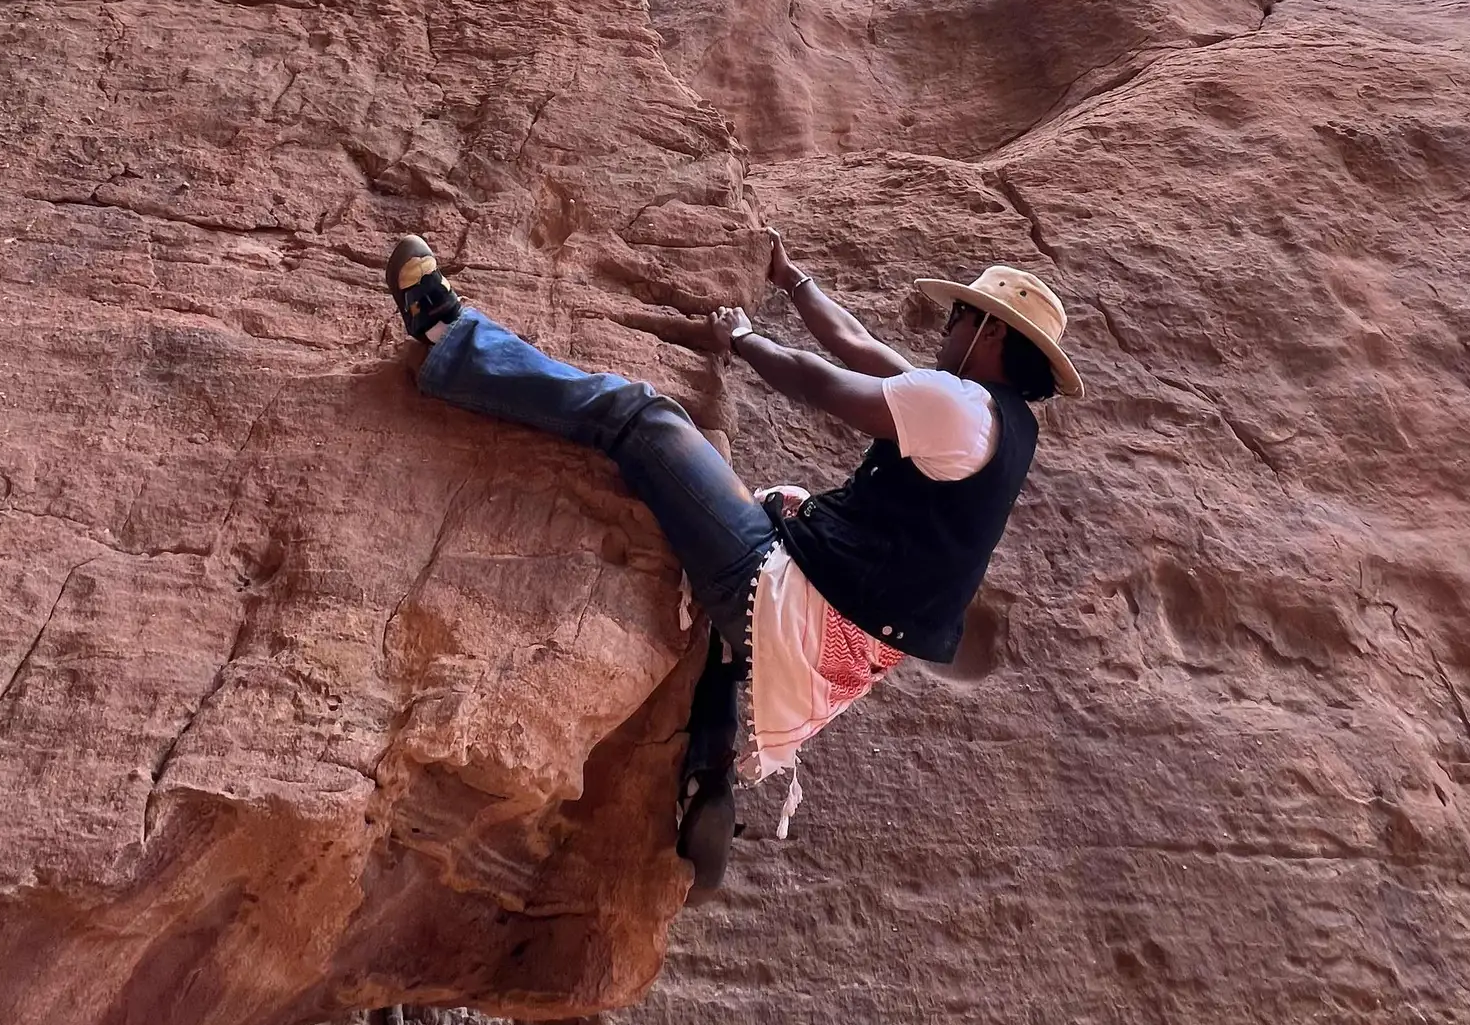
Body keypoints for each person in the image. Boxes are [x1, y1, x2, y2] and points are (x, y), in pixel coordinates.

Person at [386, 228, 1081, 895]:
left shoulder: (959, 409)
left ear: (990, 334)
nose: (947, 329)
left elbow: (823, 383)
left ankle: (453, 339)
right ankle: (709, 768)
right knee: (771, 516)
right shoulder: (998, 422)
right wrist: (792, 280)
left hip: (791, 609)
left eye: (959, 317)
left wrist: (742, 339)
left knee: (643, 417)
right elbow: (860, 346)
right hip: (835, 649)